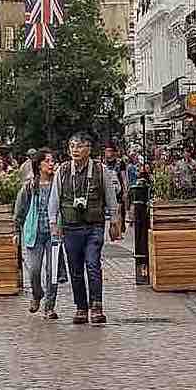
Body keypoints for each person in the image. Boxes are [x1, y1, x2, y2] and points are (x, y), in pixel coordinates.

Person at [48, 133, 122, 325]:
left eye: (80, 146)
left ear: (88, 149)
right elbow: (54, 199)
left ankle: (96, 306)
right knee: (75, 270)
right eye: (72, 146)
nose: (75, 150)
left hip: (93, 226)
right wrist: (53, 222)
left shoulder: (100, 169)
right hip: (71, 228)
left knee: (92, 264)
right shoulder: (62, 171)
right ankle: (81, 307)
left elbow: (111, 196)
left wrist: (115, 221)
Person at [14, 149, 66, 319]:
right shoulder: (29, 186)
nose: (52, 164)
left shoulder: (59, 184)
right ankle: (37, 294)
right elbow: (20, 210)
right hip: (34, 233)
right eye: (48, 161)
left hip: (54, 234)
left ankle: (49, 307)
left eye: (53, 161)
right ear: (39, 165)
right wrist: (16, 230)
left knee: (52, 272)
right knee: (34, 269)